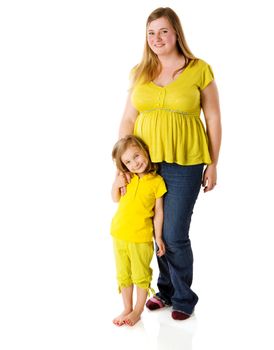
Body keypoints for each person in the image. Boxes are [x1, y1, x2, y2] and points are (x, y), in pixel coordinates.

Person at [117, 7, 222, 320]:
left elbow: (213, 117)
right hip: (143, 166)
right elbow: (128, 118)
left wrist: (213, 162)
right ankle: (164, 290)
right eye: (151, 33)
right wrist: (121, 166)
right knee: (153, 229)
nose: (157, 38)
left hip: (184, 164)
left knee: (174, 233)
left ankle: (183, 297)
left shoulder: (199, 69)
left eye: (163, 31)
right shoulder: (140, 72)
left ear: (176, 33)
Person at [110, 135, 167, 326]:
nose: (134, 163)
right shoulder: (128, 178)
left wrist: (158, 237)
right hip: (119, 234)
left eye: (136, 156)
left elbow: (158, 211)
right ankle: (127, 307)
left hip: (141, 238)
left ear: (145, 150)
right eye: (128, 161)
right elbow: (115, 199)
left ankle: (138, 309)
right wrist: (116, 185)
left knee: (140, 274)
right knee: (123, 274)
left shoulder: (157, 181)